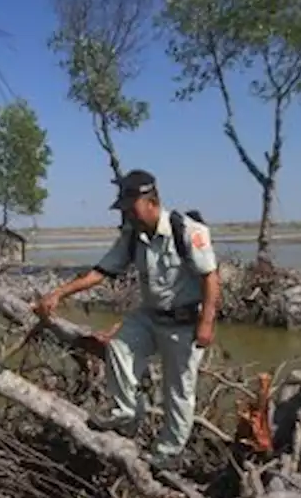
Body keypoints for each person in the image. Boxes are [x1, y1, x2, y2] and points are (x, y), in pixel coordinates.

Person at [33, 169, 221, 468]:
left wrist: (207, 324)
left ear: (150, 201)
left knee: (178, 391)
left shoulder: (187, 231)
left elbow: (210, 278)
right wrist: (59, 293)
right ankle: (128, 411)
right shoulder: (132, 235)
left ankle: (168, 453)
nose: (127, 215)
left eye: (130, 208)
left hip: (184, 323)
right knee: (119, 347)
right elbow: (101, 272)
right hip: (149, 316)